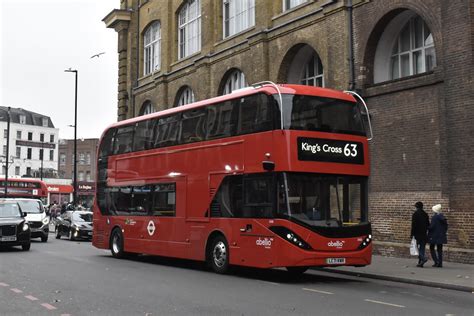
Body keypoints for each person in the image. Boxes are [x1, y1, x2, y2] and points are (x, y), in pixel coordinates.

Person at [410, 201, 429, 267]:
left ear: (416, 207)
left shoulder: (415, 214)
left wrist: (412, 234)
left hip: (417, 234)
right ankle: (420, 263)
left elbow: (413, 225)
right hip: (424, 233)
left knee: (416, 248)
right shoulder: (425, 214)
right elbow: (428, 224)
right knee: (422, 248)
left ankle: (423, 258)